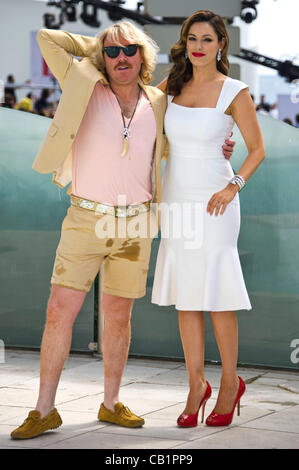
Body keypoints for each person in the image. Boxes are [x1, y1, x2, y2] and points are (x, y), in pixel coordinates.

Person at [10, 21, 235, 440]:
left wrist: (223, 145)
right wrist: (99, 44)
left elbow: (189, 137)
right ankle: (44, 410)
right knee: (59, 310)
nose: (120, 58)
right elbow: (46, 37)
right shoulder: (83, 85)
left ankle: (111, 403)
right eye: (111, 53)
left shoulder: (160, 100)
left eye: (129, 49)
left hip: (137, 222)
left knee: (118, 316)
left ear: (143, 56)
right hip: (85, 217)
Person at [152, 10, 265, 427]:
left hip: (217, 201)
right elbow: (141, 122)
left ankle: (230, 383)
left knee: (217, 295)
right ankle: (195, 384)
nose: (198, 46)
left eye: (207, 39)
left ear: (221, 44)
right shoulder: (171, 86)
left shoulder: (234, 91)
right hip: (177, 200)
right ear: (185, 43)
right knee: (187, 296)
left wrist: (233, 185)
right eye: (192, 38)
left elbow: (256, 150)